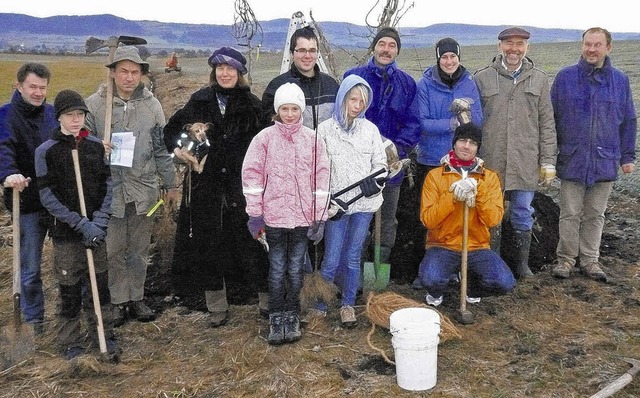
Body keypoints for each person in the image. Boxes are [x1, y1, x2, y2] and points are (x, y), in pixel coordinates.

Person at [163, 46, 267, 327]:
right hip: (205, 186)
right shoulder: (199, 101)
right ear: (214, 72)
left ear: (240, 73)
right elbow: (171, 131)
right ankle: (217, 305)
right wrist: (180, 150)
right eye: (220, 69)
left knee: (252, 242)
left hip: (241, 186)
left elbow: (266, 143)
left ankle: (266, 301)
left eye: (230, 69)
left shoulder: (253, 106)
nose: (225, 73)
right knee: (209, 243)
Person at [85, 46, 179, 326]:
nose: (129, 77)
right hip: (110, 194)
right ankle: (117, 302)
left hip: (144, 191)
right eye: (123, 71)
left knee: (139, 249)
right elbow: (80, 145)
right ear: (112, 73)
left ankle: (137, 298)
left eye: (134, 72)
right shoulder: (95, 105)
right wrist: (94, 146)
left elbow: (162, 149)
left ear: (142, 75)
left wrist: (171, 184)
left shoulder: (152, 106)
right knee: (113, 250)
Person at [242, 83, 330, 344]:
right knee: (277, 267)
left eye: (294, 108)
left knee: (295, 268)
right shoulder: (264, 139)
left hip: (302, 219)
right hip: (274, 218)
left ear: (300, 109)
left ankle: (292, 313)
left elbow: (321, 179)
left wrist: (319, 217)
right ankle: (276, 314)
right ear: (277, 110)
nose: (290, 114)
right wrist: (255, 214)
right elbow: (252, 176)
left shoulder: (312, 140)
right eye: (284, 108)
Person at [34, 90, 117, 359]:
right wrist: (81, 224)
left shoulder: (94, 146)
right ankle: (70, 341)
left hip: (97, 230)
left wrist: (100, 221)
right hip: (67, 233)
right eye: (70, 115)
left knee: (100, 286)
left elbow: (108, 185)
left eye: (80, 114)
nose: (76, 120)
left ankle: (103, 334)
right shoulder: (46, 152)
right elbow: (47, 196)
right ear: (59, 117)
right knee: (69, 288)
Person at [550, 27, 637, 282]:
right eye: (588, 44)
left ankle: (590, 260)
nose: (591, 49)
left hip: (605, 159)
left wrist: (627, 157)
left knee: (595, 214)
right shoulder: (565, 78)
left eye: (597, 45)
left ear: (608, 47)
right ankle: (565, 259)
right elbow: (551, 119)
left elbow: (629, 120)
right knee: (569, 212)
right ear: (582, 45)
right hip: (572, 158)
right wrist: (548, 155)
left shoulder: (620, 81)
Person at [473, 26, 557, 278]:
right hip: (491, 162)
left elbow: (547, 123)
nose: (514, 49)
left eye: (519, 44)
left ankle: (522, 266)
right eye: (509, 43)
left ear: (526, 48)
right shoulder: (482, 78)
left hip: (525, 161)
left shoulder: (539, 79)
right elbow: (473, 124)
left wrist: (548, 161)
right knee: (492, 215)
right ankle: (494, 266)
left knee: (522, 214)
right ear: (499, 46)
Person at [343, 26, 420, 265]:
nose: (386, 50)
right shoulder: (354, 77)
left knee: (387, 219)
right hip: (358, 165)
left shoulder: (406, 83)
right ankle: (353, 269)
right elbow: (344, 117)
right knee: (357, 216)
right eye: (382, 44)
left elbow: (414, 122)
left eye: (392, 45)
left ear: (397, 50)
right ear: (374, 47)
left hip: (391, 165)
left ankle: (379, 267)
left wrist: (395, 150)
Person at [315, 74, 387, 328]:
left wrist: (375, 182)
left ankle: (347, 304)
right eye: (352, 99)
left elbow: (381, 165)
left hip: (363, 206)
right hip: (337, 206)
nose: (357, 105)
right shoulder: (324, 130)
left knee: (353, 256)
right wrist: (325, 200)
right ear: (342, 98)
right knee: (332, 258)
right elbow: (317, 169)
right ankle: (321, 304)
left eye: (362, 101)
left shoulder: (370, 130)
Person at [412, 37, 484, 288]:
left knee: (457, 214)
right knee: (430, 216)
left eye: (453, 56)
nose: (449, 61)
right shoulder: (425, 85)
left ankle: (455, 268)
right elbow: (421, 122)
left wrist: (467, 120)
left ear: (459, 58)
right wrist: (451, 124)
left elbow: (478, 119)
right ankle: (425, 270)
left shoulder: (468, 83)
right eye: (444, 57)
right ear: (438, 59)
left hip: (462, 161)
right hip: (432, 160)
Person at [420, 123, 516, 306]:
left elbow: (493, 219)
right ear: (454, 143)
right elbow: (428, 220)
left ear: (477, 148)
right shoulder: (435, 176)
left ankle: (471, 287)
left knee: (505, 282)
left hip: (476, 246)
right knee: (431, 279)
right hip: (443, 245)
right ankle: (437, 292)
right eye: (462, 140)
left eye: (472, 143)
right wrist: (452, 196)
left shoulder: (489, 178)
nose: (466, 146)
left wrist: (479, 194)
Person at [0, 63, 58, 334]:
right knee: (31, 268)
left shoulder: (52, 113)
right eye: (33, 87)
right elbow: (3, 149)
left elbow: (69, 139)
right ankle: (34, 320)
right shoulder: (5, 116)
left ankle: (71, 312)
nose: (38, 93)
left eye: (43, 88)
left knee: (69, 262)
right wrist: (9, 174)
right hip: (26, 202)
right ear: (19, 86)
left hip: (57, 202)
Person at [262, 26, 339, 131]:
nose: (307, 56)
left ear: (317, 53)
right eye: (302, 50)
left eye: (312, 50)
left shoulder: (331, 86)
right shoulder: (277, 86)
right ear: (292, 53)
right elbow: (268, 128)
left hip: (326, 147)